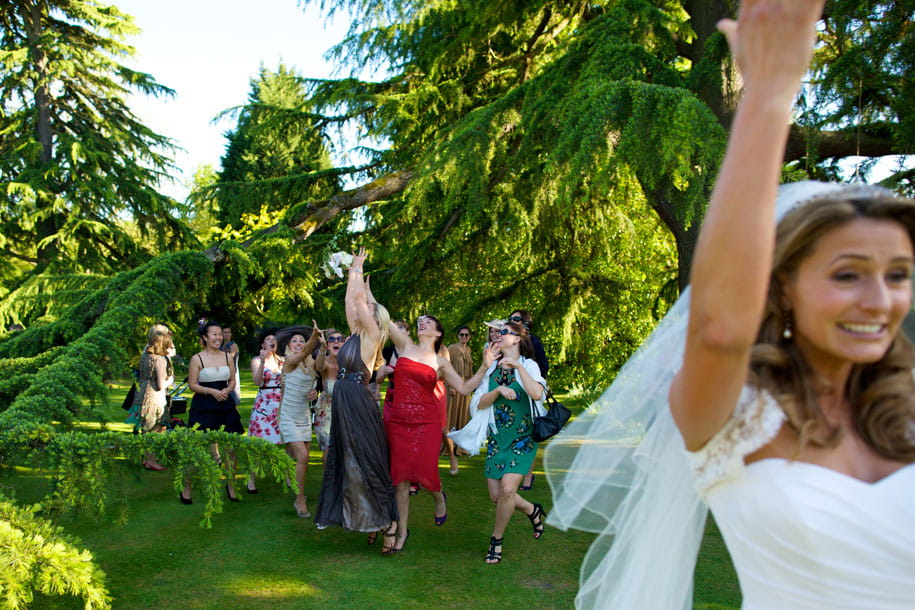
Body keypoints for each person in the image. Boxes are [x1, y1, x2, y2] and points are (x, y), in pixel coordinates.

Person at [546, 2, 915, 608]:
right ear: (782, 286)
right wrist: (771, 94)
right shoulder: (733, 410)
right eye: (847, 275)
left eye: (899, 275)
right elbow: (719, 328)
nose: (878, 300)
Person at [313, 248, 398, 550]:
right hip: (343, 399)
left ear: (376, 318)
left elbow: (359, 301)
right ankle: (366, 518)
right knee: (348, 461)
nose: (361, 311)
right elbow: (353, 301)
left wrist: (356, 268)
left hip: (358, 400)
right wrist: (355, 277)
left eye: (369, 309)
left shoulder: (373, 335)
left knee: (367, 459)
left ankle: (388, 522)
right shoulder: (353, 334)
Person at [384, 315, 491, 554]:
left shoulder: (440, 362)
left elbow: (463, 388)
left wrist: (484, 366)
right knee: (399, 481)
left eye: (428, 322)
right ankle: (402, 532)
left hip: (427, 423)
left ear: (438, 332)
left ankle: (438, 496)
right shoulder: (404, 345)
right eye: (420, 321)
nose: (422, 323)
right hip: (399, 422)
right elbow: (385, 319)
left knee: (425, 473)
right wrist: (362, 285)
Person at [451, 321, 546, 564]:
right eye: (497, 332)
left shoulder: (529, 365)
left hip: (523, 438)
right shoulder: (491, 368)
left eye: (504, 332)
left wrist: (518, 368)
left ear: (517, 339)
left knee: (507, 490)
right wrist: (499, 390)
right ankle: (531, 509)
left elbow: (537, 394)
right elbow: (478, 405)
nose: (498, 334)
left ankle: (496, 541)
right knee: (497, 496)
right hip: (498, 439)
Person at [182, 320, 242, 505]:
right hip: (204, 405)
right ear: (205, 338)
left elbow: (232, 380)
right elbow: (192, 384)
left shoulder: (227, 357)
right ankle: (186, 488)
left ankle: (231, 485)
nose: (218, 337)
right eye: (214, 334)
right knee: (197, 447)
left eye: (220, 334)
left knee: (230, 448)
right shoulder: (197, 359)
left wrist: (227, 389)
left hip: (225, 404)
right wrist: (211, 391)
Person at [275, 324, 321, 518]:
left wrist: (314, 393)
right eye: (295, 341)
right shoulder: (289, 362)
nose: (299, 343)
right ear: (288, 346)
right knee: (302, 455)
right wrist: (313, 337)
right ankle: (299, 499)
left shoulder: (310, 364)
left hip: (303, 415)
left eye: (301, 341)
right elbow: (304, 353)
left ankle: (288, 469)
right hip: (287, 414)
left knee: (304, 458)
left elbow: (320, 368)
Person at [129, 323, 174, 470]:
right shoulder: (158, 359)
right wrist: (171, 380)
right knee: (155, 427)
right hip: (154, 395)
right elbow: (161, 384)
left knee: (147, 428)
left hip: (142, 392)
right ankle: (151, 460)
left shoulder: (146, 354)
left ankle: (147, 459)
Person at [245, 331, 284, 494]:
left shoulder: (283, 360)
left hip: (280, 402)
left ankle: (286, 474)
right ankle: (251, 477)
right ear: (262, 344)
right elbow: (257, 381)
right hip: (264, 403)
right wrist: (262, 362)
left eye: (274, 339)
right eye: (268, 339)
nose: (272, 342)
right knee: (258, 444)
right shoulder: (256, 360)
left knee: (283, 441)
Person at [445, 325, 474, 475]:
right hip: (454, 387)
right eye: (461, 335)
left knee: (463, 417)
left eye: (466, 335)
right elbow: (446, 368)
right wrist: (450, 385)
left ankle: (460, 447)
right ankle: (447, 446)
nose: (464, 337)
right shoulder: (452, 349)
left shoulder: (468, 350)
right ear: (458, 336)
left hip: (465, 387)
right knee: (450, 416)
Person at [314, 328, 344, 465]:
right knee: (329, 448)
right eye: (332, 339)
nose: (335, 342)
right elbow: (318, 366)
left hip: (346, 410)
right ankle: (328, 483)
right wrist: (322, 348)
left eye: (339, 339)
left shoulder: (349, 363)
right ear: (328, 344)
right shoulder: (325, 362)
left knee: (345, 449)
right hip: (327, 411)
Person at [220, 325, 241, 403]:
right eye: (225, 332)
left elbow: (229, 358)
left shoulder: (233, 345)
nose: (227, 334)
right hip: (221, 374)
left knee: (232, 400)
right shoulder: (220, 346)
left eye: (229, 332)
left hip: (232, 374)